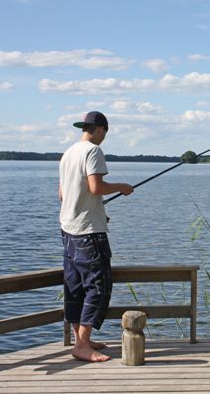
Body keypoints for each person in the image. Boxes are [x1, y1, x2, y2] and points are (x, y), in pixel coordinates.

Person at [58, 111, 134, 362]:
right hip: (89, 235)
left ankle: (83, 339)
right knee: (97, 287)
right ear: (100, 129)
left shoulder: (68, 154)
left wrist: (98, 212)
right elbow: (95, 188)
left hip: (68, 231)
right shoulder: (93, 151)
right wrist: (122, 187)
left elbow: (63, 194)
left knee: (76, 287)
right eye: (105, 133)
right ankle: (81, 345)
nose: (104, 138)